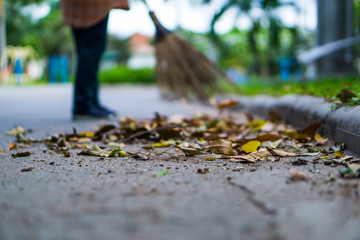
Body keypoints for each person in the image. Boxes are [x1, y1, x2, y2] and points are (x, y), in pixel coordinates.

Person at [61, 0, 129, 119]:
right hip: (93, 6)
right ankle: (84, 104)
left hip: (77, 6)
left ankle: (90, 102)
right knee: (91, 51)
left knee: (86, 50)